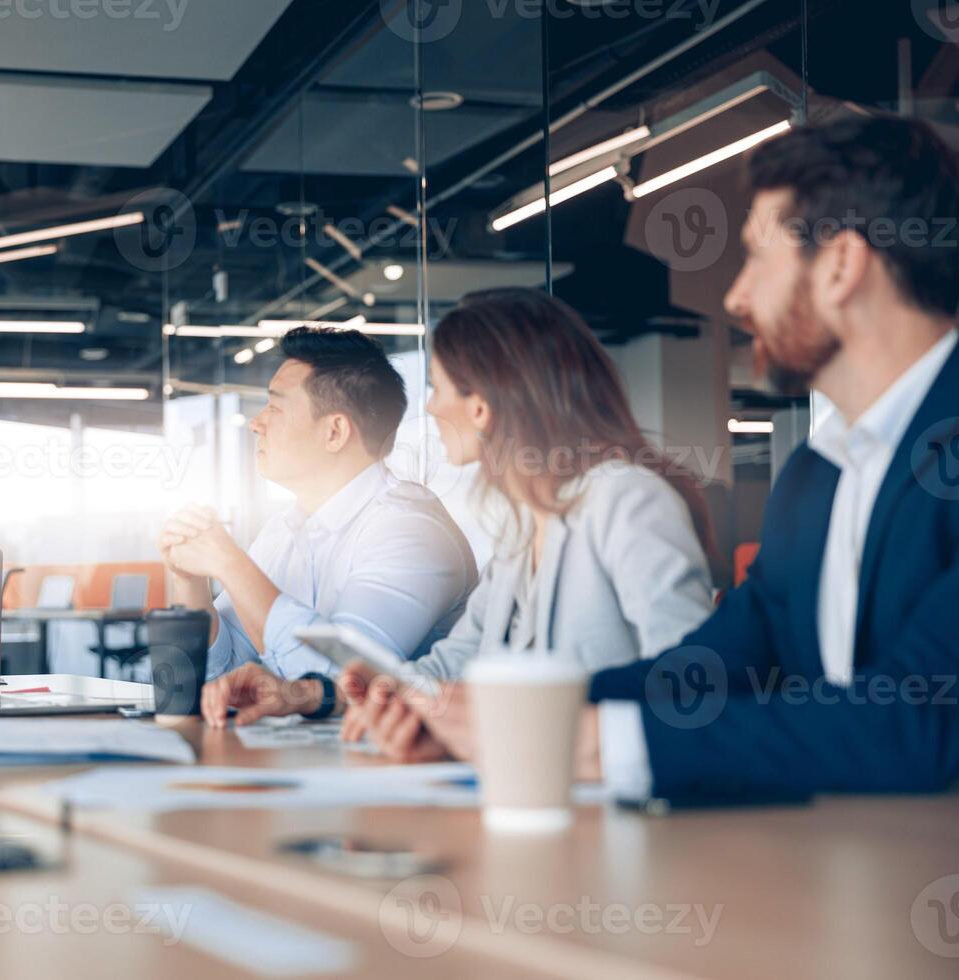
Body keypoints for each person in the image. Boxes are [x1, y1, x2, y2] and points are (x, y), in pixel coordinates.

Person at [351, 115, 959, 800]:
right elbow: (701, 673)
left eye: (758, 257)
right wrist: (492, 718)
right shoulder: (816, 479)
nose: (735, 297)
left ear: (843, 266)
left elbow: (920, 721)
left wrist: (587, 744)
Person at [209, 288, 718, 730]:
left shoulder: (625, 500)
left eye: (439, 388)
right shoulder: (526, 531)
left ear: (482, 405)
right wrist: (313, 695)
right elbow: (451, 665)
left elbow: (690, 679)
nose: (428, 407)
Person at [161, 327, 477, 725]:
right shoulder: (285, 529)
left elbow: (335, 678)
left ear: (335, 432)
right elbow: (221, 677)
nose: (256, 423)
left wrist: (229, 565)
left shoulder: (412, 530)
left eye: (275, 407)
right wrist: (191, 581)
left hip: (392, 772)